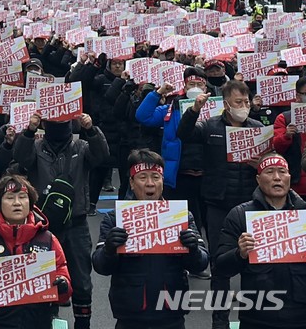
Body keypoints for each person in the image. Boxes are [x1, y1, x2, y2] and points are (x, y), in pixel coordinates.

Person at [176, 80, 264, 329]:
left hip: (250, 204)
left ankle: (255, 316)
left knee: (254, 262)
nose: (243, 106)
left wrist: (261, 165)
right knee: (220, 263)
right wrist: (194, 110)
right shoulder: (210, 126)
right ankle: (220, 320)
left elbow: (270, 165)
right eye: (238, 102)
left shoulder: (257, 128)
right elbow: (183, 134)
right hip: (218, 204)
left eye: (246, 102)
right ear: (226, 104)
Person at [92, 150, 209, 329]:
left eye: (155, 177)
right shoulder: (115, 219)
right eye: (142, 177)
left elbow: (200, 264)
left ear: (163, 181)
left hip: (172, 313)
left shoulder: (182, 216)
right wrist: (109, 249)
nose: (150, 184)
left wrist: (192, 248)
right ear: (131, 183)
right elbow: (100, 267)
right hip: (130, 315)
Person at [12, 112, 108, 329]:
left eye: (63, 120)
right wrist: (28, 131)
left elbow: (102, 156)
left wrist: (92, 129)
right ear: (46, 123)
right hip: (41, 226)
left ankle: (83, 324)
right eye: (53, 121)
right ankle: (47, 321)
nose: (58, 124)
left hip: (76, 223)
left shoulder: (82, 146)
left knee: (82, 281)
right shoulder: (36, 146)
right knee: (43, 280)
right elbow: (21, 157)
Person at [0, 175, 72, 328]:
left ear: (30, 202)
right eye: (9, 198)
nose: (17, 203)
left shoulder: (48, 240)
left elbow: (64, 290)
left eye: (22, 197)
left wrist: (62, 285)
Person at [214, 153, 306, 329]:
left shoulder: (304, 214)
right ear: (258, 179)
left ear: (289, 177)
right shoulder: (240, 215)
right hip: (256, 317)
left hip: (301, 316)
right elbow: (220, 269)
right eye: (270, 172)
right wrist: (239, 254)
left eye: (282, 172)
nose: (277, 177)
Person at [135, 67, 208, 233]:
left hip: (207, 175)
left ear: (205, 89)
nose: (195, 88)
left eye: (199, 84)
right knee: (180, 223)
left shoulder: (217, 107)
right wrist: (158, 93)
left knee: (209, 222)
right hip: (178, 174)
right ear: (184, 86)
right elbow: (143, 116)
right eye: (191, 84)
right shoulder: (172, 107)